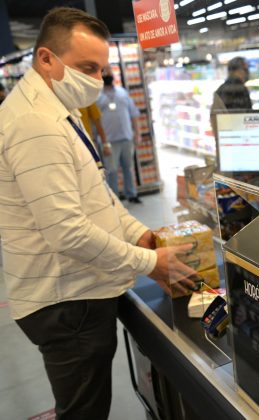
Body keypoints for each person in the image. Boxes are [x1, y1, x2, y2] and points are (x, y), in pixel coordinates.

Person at [0, 7, 197, 419]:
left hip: (76, 294)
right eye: (87, 68)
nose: (96, 79)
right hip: (67, 301)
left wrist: (140, 234)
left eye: (101, 69)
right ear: (46, 58)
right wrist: (150, 262)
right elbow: (66, 232)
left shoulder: (56, 108)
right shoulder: (35, 123)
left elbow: (98, 196)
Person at [96, 65, 143, 203]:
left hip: (126, 137)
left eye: (110, 72)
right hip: (109, 141)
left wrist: (137, 133)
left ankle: (131, 194)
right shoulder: (97, 97)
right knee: (111, 171)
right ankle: (114, 199)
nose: (108, 75)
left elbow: (133, 114)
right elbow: (95, 121)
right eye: (105, 72)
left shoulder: (122, 92)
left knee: (128, 167)